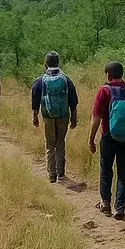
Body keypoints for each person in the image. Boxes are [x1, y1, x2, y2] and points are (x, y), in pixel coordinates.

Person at [88, 61, 125, 220]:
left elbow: (96, 118)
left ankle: (105, 202)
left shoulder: (103, 91)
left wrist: (91, 139)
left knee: (106, 169)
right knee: (123, 172)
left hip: (108, 136)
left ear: (108, 75)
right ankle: (119, 208)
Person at [30, 51, 79, 182]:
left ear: (45, 64)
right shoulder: (66, 79)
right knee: (60, 142)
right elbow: (73, 100)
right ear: (58, 63)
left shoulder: (40, 80)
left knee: (50, 144)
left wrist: (34, 116)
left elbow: (35, 98)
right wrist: (74, 117)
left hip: (48, 115)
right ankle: (61, 172)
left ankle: (52, 174)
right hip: (63, 115)